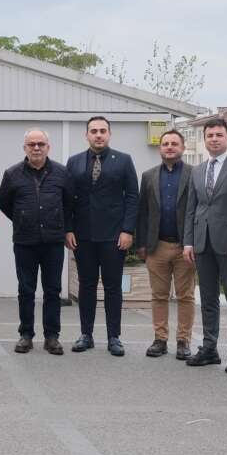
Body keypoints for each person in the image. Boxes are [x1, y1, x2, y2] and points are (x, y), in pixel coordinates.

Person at [183, 117, 227, 373]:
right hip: (202, 243)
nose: (214, 139)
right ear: (205, 139)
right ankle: (209, 348)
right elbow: (191, 209)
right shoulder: (198, 170)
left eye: (219, 135)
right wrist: (188, 242)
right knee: (208, 299)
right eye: (210, 135)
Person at [65, 116, 139, 356]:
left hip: (113, 236)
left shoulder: (124, 160)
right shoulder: (74, 162)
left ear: (109, 134)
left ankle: (114, 337)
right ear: (86, 135)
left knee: (112, 286)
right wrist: (68, 229)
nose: (98, 135)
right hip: (83, 235)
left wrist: (128, 230)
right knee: (86, 286)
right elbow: (67, 198)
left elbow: (132, 197)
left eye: (103, 131)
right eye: (94, 131)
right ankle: (86, 335)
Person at [0, 128, 72, 355]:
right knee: (26, 290)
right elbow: (4, 203)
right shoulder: (12, 174)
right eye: (32, 144)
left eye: (41, 144)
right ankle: (26, 335)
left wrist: (63, 226)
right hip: (24, 241)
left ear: (48, 147)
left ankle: (52, 337)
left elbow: (69, 203)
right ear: (25, 148)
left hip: (53, 242)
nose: (36, 148)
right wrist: (23, 218)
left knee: (53, 290)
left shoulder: (62, 173)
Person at [134, 129, 195, 360]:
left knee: (185, 296)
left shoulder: (194, 174)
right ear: (160, 148)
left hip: (184, 247)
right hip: (157, 246)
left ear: (183, 148)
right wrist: (141, 244)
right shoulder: (148, 176)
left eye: (174, 143)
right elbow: (142, 212)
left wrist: (193, 243)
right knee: (158, 295)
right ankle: (160, 339)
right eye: (165, 144)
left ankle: (183, 341)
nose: (169, 147)